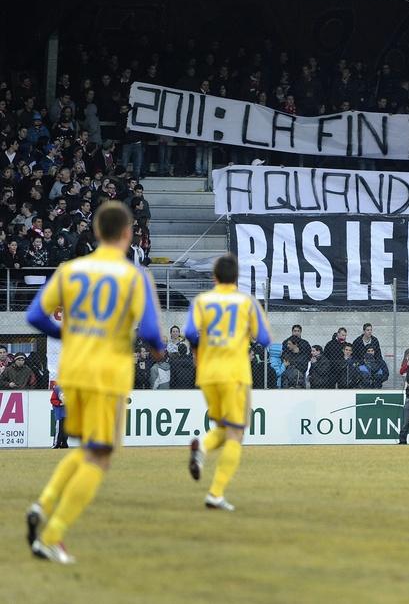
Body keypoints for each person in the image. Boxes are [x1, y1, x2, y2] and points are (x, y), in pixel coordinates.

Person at [25, 200, 166, 564]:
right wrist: (157, 349)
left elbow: (35, 315)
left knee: (87, 450)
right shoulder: (134, 276)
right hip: (107, 374)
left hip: (72, 372)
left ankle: (42, 506)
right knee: (100, 456)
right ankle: (52, 535)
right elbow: (150, 330)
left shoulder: (70, 270)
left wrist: (68, 333)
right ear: (126, 234)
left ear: (96, 232)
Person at [184, 254, 271, 511]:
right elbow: (265, 339)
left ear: (214, 277)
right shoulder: (246, 302)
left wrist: (207, 345)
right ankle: (215, 493)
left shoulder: (201, 300)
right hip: (235, 374)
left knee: (224, 428)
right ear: (236, 278)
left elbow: (189, 332)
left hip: (208, 374)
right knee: (236, 433)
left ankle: (203, 447)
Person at [51, 384, 68, 449]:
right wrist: (60, 403)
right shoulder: (57, 388)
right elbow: (52, 400)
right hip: (59, 413)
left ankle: (64, 443)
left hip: (67, 412)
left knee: (66, 429)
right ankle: (56, 444)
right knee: (58, 429)